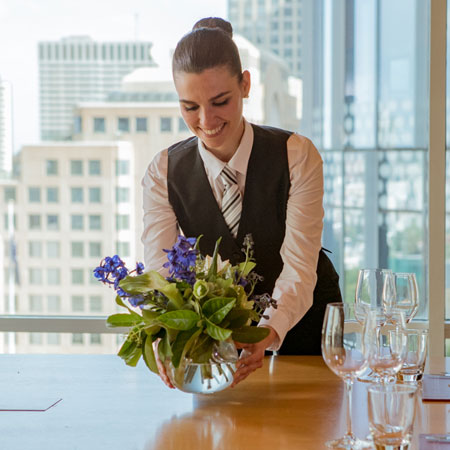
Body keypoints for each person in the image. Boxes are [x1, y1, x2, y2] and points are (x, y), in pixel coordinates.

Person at [141, 17, 342, 388]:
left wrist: (264, 334)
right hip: (221, 329)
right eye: (190, 107)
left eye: (220, 102)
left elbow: (299, 265)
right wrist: (164, 331)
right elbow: (162, 269)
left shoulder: (297, 155)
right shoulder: (162, 172)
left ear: (245, 84)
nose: (206, 120)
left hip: (308, 320)